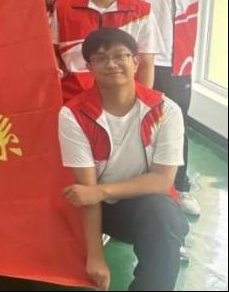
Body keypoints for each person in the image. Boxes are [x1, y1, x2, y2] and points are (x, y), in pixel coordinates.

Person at [58, 27, 188, 291]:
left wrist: (101, 190)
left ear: (135, 62)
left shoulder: (165, 110)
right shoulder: (73, 115)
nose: (112, 64)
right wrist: (96, 255)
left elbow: (162, 181)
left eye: (120, 56)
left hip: (146, 205)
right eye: (101, 58)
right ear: (89, 67)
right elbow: (87, 192)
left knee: (163, 217)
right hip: (101, 209)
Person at [129, 0, 206, 216]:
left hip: (176, 58)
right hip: (134, 57)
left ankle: (180, 186)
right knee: (133, 122)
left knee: (176, 122)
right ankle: (135, 185)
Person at [51, 0, 162, 102]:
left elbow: (145, 64)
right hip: (72, 98)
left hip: (121, 99)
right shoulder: (63, 7)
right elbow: (53, 53)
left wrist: (140, 105)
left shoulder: (142, 11)